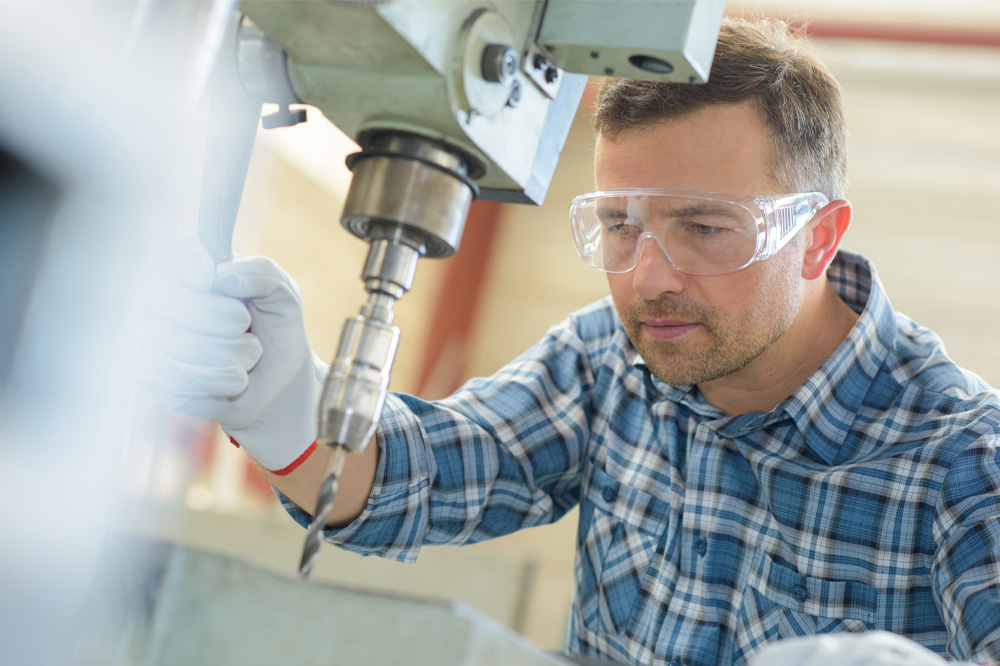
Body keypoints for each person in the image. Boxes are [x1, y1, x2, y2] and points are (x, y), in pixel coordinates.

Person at [153, 16, 1000, 666]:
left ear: (818, 237)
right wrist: (282, 406)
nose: (648, 277)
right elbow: (417, 480)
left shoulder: (965, 463)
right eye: (619, 225)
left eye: (705, 226)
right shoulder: (610, 363)